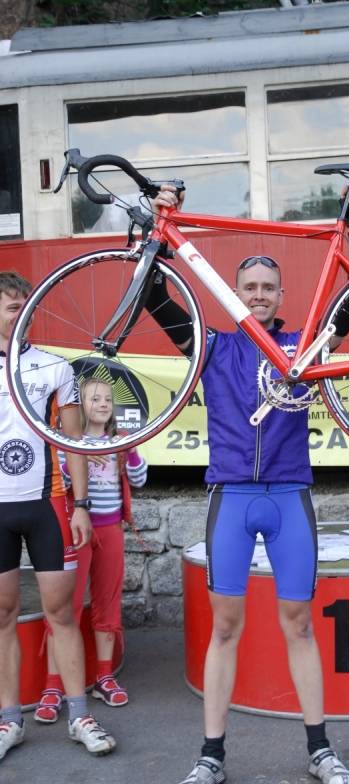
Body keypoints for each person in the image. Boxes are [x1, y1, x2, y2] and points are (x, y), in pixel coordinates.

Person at [148, 184, 349, 784]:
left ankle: (320, 750)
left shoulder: (303, 347)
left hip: (289, 496)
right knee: (225, 627)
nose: (258, 294)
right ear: (236, 293)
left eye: (268, 287)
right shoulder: (214, 346)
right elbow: (153, 297)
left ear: (281, 296)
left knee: (299, 624)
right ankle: (211, 756)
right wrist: (155, 226)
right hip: (231, 497)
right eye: (248, 286)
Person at [0, 271, 116, 761]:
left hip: (48, 503)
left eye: (27, 306)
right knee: (3, 615)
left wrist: (82, 505)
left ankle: (79, 716)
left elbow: (75, 443)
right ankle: (9, 721)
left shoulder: (54, 367)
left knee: (62, 613)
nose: (22, 314)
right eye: (12, 307)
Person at [35, 377, 147, 722]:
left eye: (107, 399)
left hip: (111, 530)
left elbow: (140, 480)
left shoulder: (119, 442)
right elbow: (62, 482)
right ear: (79, 406)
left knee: (107, 603)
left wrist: (130, 452)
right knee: (64, 607)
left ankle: (104, 675)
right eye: (94, 398)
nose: (102, 404)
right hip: (76, 531)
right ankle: (53, 685)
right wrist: (76, 459)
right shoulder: (69, 443)